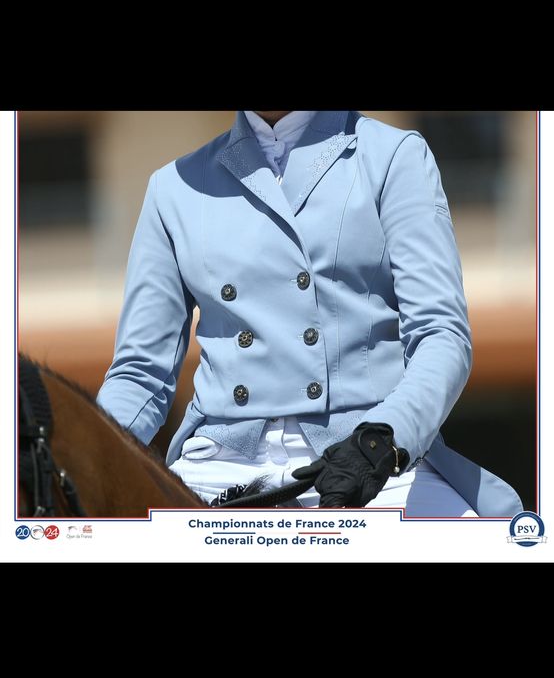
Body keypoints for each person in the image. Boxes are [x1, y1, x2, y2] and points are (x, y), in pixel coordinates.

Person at [97, 110, 523, 515]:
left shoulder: (393, 156)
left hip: (367, 454)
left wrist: (381, 440)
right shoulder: (171, 188)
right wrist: (82, 452)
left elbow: (441, 335)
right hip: (219, 461)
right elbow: (140, 374)